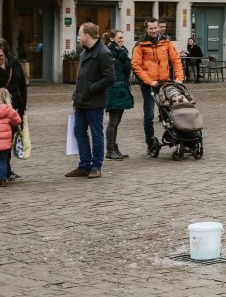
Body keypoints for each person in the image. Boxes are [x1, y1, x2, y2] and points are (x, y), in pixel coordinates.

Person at [68, 22, 115, 179]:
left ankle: (96, 166)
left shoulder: (104, 52)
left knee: (96, 134)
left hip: (95, 102)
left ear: (87, 35)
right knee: (79, 132)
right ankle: (84, 165)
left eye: (80, 34)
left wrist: (91, 88)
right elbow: (80, 77)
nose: (79, 37)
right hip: (81, 101)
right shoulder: (84, 52)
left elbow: (110, 78)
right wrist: (76, 96)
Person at [132, 18, 185, 153]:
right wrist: (149, 81)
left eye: (155, 28)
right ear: (146, 29)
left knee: (170, 111)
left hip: (164, 82)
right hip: (148, 84)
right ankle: (150, 142)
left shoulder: (166, 42)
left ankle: (178, 137)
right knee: (149, 115)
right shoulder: (140, 45)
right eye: (151, 28)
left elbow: (176, 60)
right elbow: (136, 66)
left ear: (158, 27)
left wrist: (179, 78)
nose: (154, 30)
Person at [0, 39, 28, 180]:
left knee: (8, 139)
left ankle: (6, 170)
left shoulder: (14, 62)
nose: (0, 56)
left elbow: (22, 83)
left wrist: (23, 105)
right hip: (1, 107)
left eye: (1, 53)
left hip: (14, 106)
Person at [103, 30, 133, 161]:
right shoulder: (108, 53)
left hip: (122, 88)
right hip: (113, 90)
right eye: (119, 38)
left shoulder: (123, 51)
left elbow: (127, 70)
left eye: (122, 37)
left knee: (117, 121)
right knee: (113, 122)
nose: (122, 40)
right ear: (111, 38)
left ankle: (114, 148)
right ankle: (110, 150)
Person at [0, 88, 22, 188]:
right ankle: (3, 180)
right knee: (3, 161)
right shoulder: (8, 109)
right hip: (4, 144)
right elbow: (17, 121)